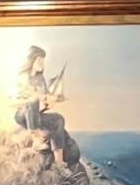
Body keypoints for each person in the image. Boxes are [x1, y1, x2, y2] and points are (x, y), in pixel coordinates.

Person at [10, 44, 85, 173]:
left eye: (43, 60)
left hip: (36, 115)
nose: (42, 63)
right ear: (31, 60)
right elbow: (19, 97)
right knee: (33, 100)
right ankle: (36, 138)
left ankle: (59, 162)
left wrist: (54, 98)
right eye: (39, 60)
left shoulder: (40, 79)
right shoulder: (22, 77)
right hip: (22, 115)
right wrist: (39, 96)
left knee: (58, 119)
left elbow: (45, 97)